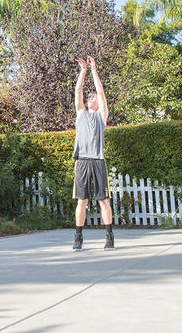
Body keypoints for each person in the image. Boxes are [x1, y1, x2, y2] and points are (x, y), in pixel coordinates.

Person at [72, 56, 114, 251]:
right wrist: (83, 71)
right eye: (88, 97)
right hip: (82, 161)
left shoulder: (101, 116)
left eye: (92, 97)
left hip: (98, 161)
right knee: (82, 201)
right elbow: (77, 90)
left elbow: (101, 91)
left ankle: (109, 236)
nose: (90, 98)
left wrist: (94, 70)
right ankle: (78, 237)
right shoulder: (80, 113)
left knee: (103, 200)